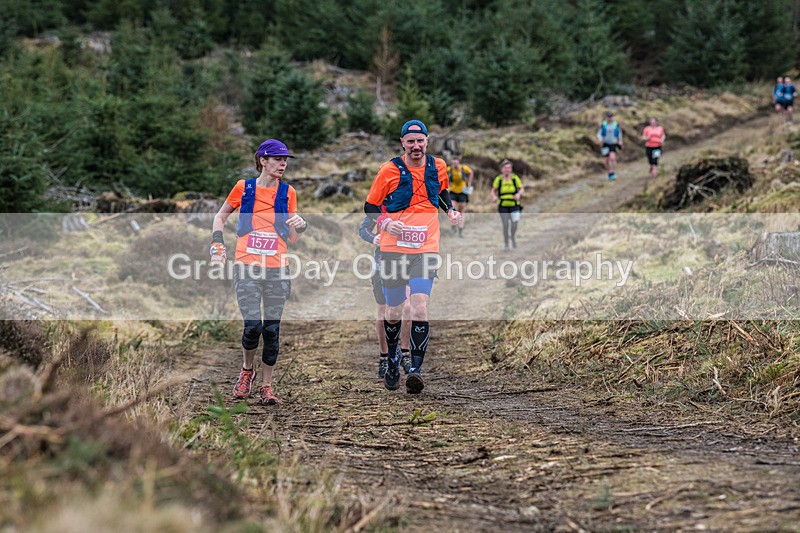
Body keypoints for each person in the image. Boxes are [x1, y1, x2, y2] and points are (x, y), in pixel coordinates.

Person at [364, 119, 461, 394]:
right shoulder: (388, 171)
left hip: (426, 248)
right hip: (393, 249)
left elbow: (441, 192)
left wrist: (450, 210)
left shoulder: (438, 166)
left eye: (420, 141)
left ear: (427, 141)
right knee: (394, 312)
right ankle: (393, 359)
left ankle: (416, 370)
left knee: (419, 308)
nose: (416, 146)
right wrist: (383, 222)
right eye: (411, 141)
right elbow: (370, 205)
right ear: (402, 143)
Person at [210, 139, 307, 406]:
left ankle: (267, 386)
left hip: (277, 268)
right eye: (277, 158)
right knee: (253, 326)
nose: (283, 163)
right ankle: (246, 371)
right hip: (246, 266)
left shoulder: (288, 193)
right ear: (262, 160)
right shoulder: (244, 187)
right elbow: (220, 217)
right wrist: (217, 244)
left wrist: (300, 225)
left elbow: (293, 237)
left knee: (272, 330)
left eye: (285, 159)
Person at [358, 215, 412, 377]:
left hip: (409, 260)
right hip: (383, 263)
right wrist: (375, 238)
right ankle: (384, 356)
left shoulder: (414, 204)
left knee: (408, 308)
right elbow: (363, 229)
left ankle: (405, 353)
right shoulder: (381, 205)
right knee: (384, 312)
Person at [491, 159, 524, 251]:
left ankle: (512, 237)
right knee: (505, 225)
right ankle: (506, 244)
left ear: (511, 169)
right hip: (503, 205)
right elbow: (493, 190)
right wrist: (494, 197)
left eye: (509, 168)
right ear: (502, 169)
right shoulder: (499, 179)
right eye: (505, 168)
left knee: (514, 224)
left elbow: (521, 188)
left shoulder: (515, 178)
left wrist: (519, 194)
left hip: (514, 205)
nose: (507, 170)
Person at [446, 157, 474, 237]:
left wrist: (469, 182)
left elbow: (471, 172)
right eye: (453, 163)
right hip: (453, 191)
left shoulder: (464, 168)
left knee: (461, 210)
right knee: (452, 209)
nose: (455, 165)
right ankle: (453, 226)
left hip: (463, 191)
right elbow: (442, 174)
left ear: (459, 163)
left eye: (456, 163)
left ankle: (460, 229)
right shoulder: (449, 169)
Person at [597, 111, 623, 181]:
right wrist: (600, 138)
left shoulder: (615, 124)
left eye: (611, 117)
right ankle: (609, 172)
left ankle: (612, 172)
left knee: (612, 157)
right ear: (606, 117)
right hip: (605, 144)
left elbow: (619, 133)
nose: (609, 118)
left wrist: (620, 140)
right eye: (608, 117)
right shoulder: (603, 124)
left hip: (613, 143)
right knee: (607, 160)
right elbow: (599, 133)